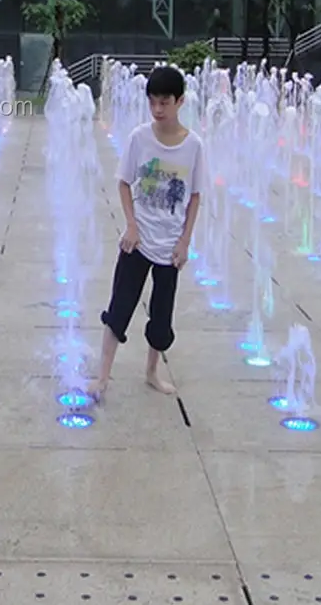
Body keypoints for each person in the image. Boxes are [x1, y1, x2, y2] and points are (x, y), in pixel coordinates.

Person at [90, 65, 207, 400]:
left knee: (161, 318)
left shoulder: (193, 146)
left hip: (170, 247)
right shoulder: (139, 138)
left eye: (165, 102)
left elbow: (195, 195)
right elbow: (125, 182)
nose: (158, 110)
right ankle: (102, 377)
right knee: (119, 309)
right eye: (153, 102)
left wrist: (185, 241)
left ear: (180, 101)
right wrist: (131, 224)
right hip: (137, 242)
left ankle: (152, 372)